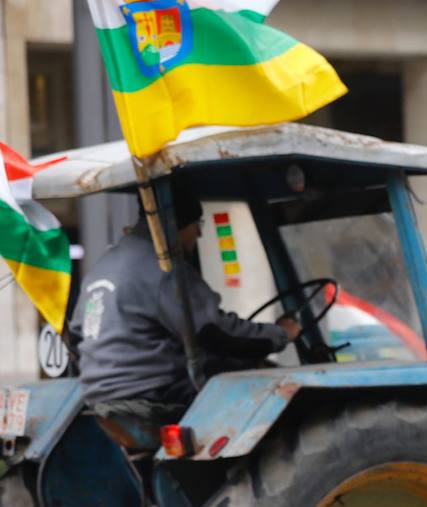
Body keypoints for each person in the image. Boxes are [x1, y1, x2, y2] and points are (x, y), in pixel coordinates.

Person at [74, 178, 300, 443]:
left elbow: (78, 331)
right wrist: (281, 334)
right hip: (155, 395)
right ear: (177, 225)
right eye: (197, 226)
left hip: (101, 398)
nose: (200, 235)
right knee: (273, 400)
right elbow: (217, 333)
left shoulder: (105, 264)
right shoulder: (164, 269)